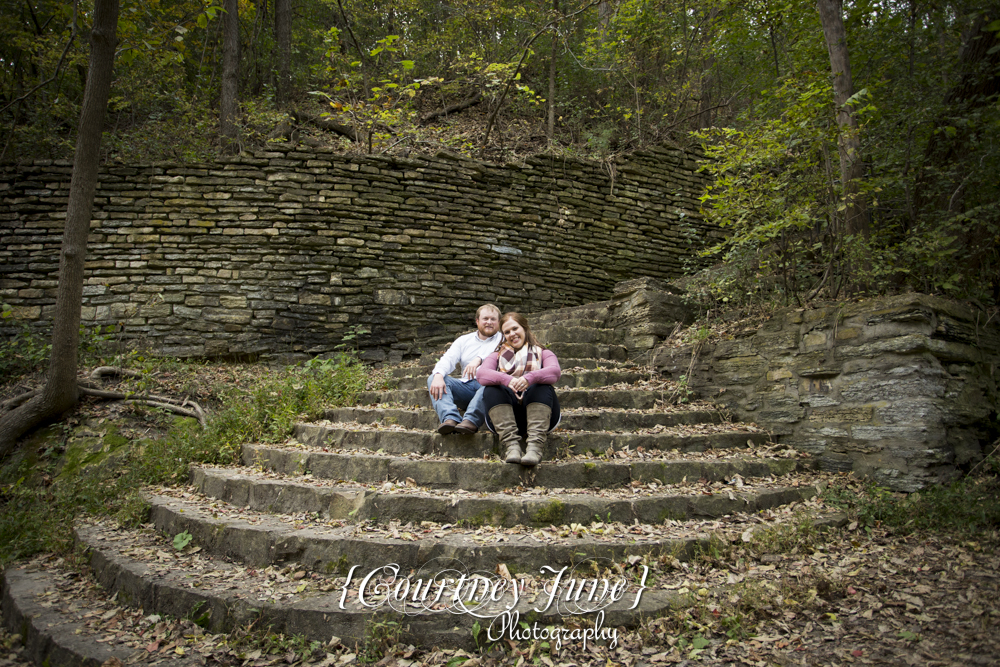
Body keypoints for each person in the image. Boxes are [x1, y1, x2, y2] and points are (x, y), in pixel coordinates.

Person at [477, 312, 561, 465]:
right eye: (507, 332)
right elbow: (481, 374)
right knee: (491, 388)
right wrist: (507, 380)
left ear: (525, 328)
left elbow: (555, 372)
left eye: (515, 328)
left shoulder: (544, 353)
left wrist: (529, 378)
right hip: (505, 417)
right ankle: (512, 447)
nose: (512, 334)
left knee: (541, 385)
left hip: (542, 417)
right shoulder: (496, 356)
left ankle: (534, 448)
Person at [427, 304, 503, 434]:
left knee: (490, 382)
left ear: (499, 322)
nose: (489, 322)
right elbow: (448, 359)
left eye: (493, 319)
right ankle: (450, 418)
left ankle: (470, 421)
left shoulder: (504, 338)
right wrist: (439, 374)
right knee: (434, 378)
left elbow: (499, 355)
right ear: (477, 321)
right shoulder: (464, 340)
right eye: (485, 319)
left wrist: (479, 359)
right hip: (466, 387)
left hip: (489, 389)